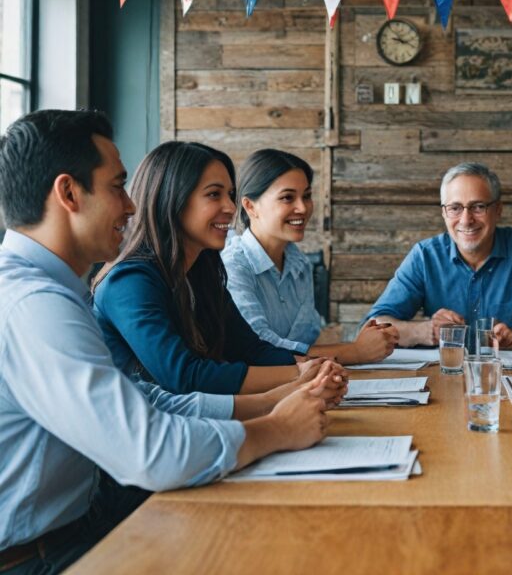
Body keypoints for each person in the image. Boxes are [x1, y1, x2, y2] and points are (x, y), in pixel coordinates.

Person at [0, 110, 337, 573]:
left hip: (75, 530)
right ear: (69, 193)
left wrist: (277, 402)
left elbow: (149, 400)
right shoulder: (35, 304)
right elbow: (151, 450)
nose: (131, 205)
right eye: (118, 186)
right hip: (40, 557)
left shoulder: (55, 291)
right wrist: (277, 429)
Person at [93, 141, 340, 395]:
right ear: (172, 199)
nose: (232, 208)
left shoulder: (201, 272)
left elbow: (250, 349)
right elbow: (186, 376)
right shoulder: (129, 281)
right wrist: (298, 374)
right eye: (214, 194)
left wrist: (313, 367)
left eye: (230, 195)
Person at [364, 162, 512, 348]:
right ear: (444, 213)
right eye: (455, 208)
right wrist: (427, 331)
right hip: (443, 375)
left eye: (478, 207)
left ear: (498, 210)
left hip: (508, 377)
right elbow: (372, 327)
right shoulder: (425, 256)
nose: (466, 220)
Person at [223, 149, 399, 365]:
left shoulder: (299, 264)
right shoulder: (232, 266)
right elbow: (260, 347)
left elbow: (305, 339)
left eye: (306, 196)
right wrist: (355, 351)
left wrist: (368, 339)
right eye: (287, 197)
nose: (303, 207)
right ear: (250, 206)